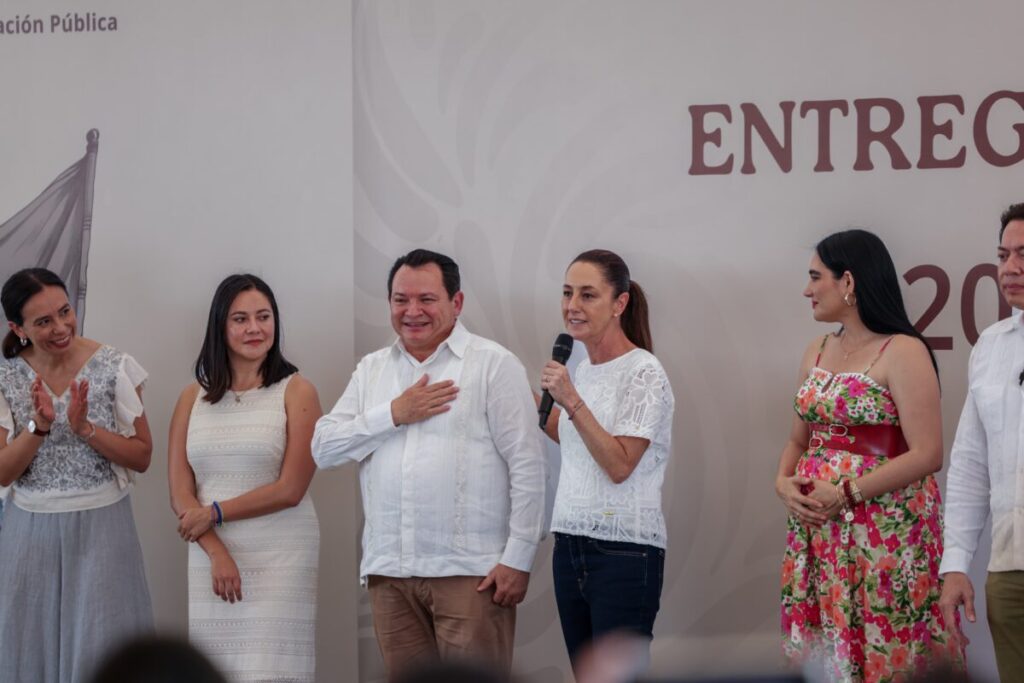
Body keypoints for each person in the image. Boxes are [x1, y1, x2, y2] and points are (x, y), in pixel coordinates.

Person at [311, 249, 545, 678]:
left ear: (456, 302)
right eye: (400, 300)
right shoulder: (372, 370)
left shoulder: (493, 364)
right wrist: (394, 413)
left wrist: (518, 557)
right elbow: (324, 449)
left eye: (426, 299)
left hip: (472, 573)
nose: (412, 311)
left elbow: (528, 465)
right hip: (389, 572)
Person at [776, 230, 963, 681]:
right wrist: (782, 481)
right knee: (826, 648)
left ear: (848, 282)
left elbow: (928, 453)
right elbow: (799, 440)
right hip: (820, 533)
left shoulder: (903, 350)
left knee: (890, 645)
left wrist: (846, 493)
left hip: (885, 531)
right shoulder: (816, 350)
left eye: (815, 277)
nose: (806, 290)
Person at [0, 267, 153, 682]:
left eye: (65, 311)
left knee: (104, 644)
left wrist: (86, 429)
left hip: (103, 527)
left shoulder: (114, 366)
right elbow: (3, 472)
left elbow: (142, 456)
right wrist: (39, 426)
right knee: (29, 646)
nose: (61, 327)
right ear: (18, 329)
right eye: (43, 321)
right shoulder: (6, 376)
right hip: (28, 531)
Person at [168, 274, 322, 682]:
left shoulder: (297, 391)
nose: (255, 328)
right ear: (220, 326)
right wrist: (216, 551)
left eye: (263, 317)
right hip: (210, 554)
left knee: (269, 670)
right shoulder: (191, 397)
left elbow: (291, 489)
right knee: (217, 669)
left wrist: (214, 512)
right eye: (240, 319)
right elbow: (181, 494)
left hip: (280, 554)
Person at [537, 249, 674, 672]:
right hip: (569, 544)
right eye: (567, 293)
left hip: (623, 552)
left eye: (588, 294)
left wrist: (571, 400)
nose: (572, 306)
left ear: (620, 303)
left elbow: (619, 465)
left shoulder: (644, 371)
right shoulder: (580, 369)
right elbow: (576, 441)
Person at [939, 202, 1024, 683]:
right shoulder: (991, 346)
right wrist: (956, 565)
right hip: (1009, 572)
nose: (1010, 268)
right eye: (1003, 255)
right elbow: (971, 467)